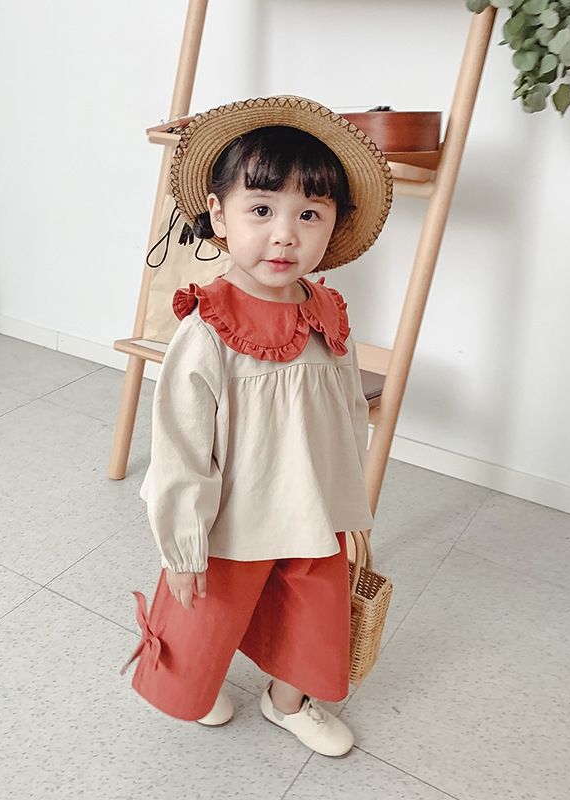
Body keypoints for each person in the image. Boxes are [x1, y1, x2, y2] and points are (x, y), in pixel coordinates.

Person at [119, 96, 393, 757]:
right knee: (203, 619)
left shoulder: (328, 313)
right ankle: (201, 680)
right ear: (220, 215)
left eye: (309, 214)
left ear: (334, 224)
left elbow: (344, 415)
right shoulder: (207, 330)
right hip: (229, 519)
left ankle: (286, 700)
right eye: (262, 209)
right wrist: (184, 546)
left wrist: (345, 504)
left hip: (311, 509)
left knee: (311, 616)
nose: (285, 235)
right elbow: (181, 450)